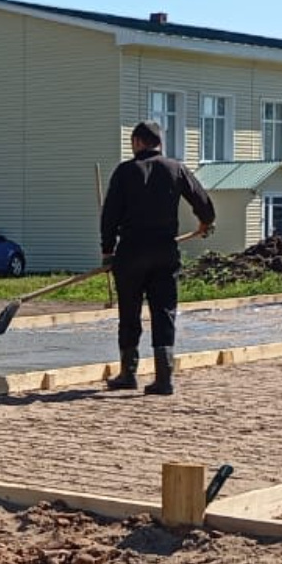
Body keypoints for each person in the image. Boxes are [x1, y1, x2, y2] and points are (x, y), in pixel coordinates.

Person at [101, 120, 216, 396]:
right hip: (165, 252)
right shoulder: (175, 168)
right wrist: (204, 222)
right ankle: (164, 379)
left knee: (129, 313)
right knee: (164, 312)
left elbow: (110, 216)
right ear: (158, 143)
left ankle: (128, 374)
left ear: (138, 142)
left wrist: (108, 251)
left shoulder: (125, 172)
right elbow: (204, 204)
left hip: (131, 253)